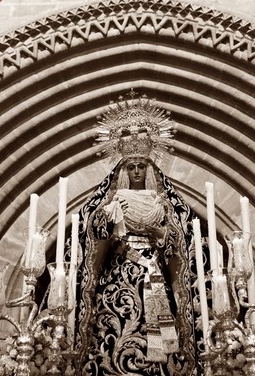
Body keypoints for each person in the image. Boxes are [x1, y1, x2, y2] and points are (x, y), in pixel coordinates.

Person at [74, 94, 199, 375]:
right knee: (114, 328)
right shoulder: (115, 200)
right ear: (124, 170)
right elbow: (96, 235)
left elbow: (177, 243)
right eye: (131, 167)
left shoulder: (161, 202)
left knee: (159, 329)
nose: (137, 171)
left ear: (149, 168)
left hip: (153, 273)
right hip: (120, 276)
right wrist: (107, 221)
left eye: (142, 166)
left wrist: (162, 234)